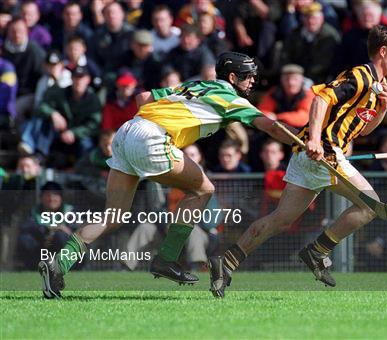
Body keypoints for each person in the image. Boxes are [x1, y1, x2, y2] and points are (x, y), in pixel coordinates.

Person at [38, 51, 297, 299]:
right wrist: (304, 142)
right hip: (152, 138)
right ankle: (167, 258)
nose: (253, 80)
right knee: (204, 190)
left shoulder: (194, 85)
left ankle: (57, 264)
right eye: (247, 75)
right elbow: (271, 128)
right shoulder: (233, 100)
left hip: (127, 131)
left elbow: (142, 98)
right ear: (232, 78)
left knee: (112, 217)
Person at [208, 25, 387, 298]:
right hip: (322, 152)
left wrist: (383, 108)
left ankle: (226, 262)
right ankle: (317, 250)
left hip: (310, 157)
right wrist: (313, 139)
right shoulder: (361, 75)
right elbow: (321, 99)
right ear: (383, 52)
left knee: (279, 220)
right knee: (371, 206)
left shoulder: (376, 88)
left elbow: (364, 129)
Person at [17, 182, 76, 270]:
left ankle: (66, 268)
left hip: (66, 250)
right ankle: (35, 268)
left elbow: (79, 232)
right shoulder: (34, 213)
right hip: (42, 248)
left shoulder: (71, 212)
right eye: (47, 195)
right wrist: (47, 231)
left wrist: (62, 231)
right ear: (41, 197)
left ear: (61, 198)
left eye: (55, 195)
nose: (51, 199)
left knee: (60, 236)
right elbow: (26, 228)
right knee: (25, 238)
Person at [280, 2, 341, 84]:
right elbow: (286, 55)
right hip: (295, 76)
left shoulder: (330, 36)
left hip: (321, 80)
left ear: (321, 18)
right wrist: (293, 74)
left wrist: (305, 79)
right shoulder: (295, 34)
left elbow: (323, 64)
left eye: (314, 18)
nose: (311, 21)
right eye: (307, 17)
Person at [257, 64, 314, 128]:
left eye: (295, 79)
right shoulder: (274, 92)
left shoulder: (308, 94)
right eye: (287, 79)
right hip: (276, 128)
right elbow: (262, 110)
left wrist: (278, 117)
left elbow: (305, 117)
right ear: (281, 80)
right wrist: (268, 116)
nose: (291, 83)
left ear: (301, 80)